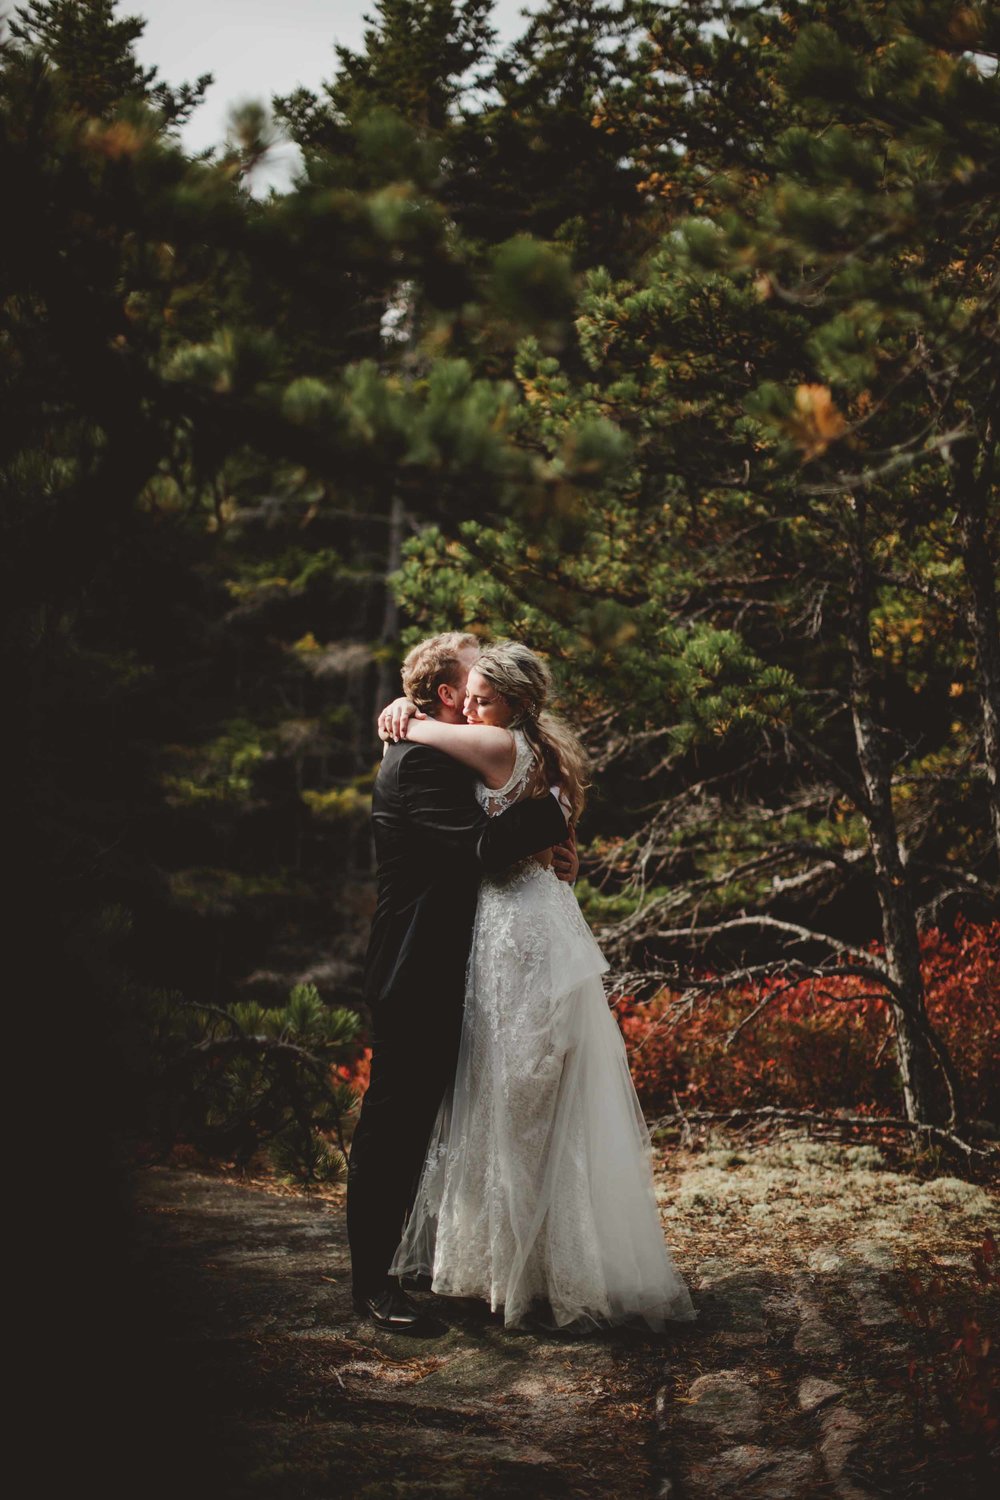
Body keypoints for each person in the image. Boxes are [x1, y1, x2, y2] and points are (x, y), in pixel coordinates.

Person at [378, 641, 695, 1331]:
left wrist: (401, 712)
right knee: (518, 1096)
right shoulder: (534, 752)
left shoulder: (494, 744)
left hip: (516, 930)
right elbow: (539, 823)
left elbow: (430, 738)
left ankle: (520, 1270)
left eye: (484, 696)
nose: (470, 705)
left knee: (513, 1095)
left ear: (514, 704)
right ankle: (536, 1261)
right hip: (532, 922)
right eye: (467, 693)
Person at [348, 632, 575, 1331]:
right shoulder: (417, 764)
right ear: (449, 693)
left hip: (455, 964)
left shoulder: (437, 745)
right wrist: (552, 815)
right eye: (474, 666)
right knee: (395, 1124)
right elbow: (478, 847)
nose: (486, 672)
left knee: (432, 1121)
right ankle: (370, 1286)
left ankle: (413, 1265)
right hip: (414, 967)